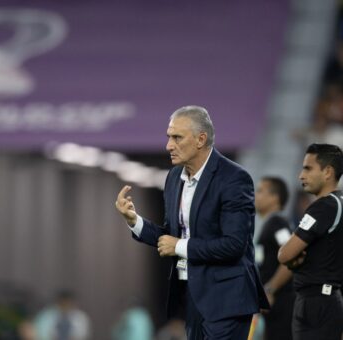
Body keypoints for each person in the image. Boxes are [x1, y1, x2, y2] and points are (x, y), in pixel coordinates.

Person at [115, 105, 269, 340]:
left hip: (228, 299)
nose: (168, 145)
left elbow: (234, 244)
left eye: (177, 137)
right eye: (169, 137)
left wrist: (178, 246)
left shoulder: (234, 179)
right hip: (192, 297)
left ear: (200, 139)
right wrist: (135, 222)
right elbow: (170, 235)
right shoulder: (175, 177)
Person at [278, 143, 343, 340]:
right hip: (331, 299)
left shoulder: (323, 207)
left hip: (315, 303)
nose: (301, 176)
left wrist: (293, 260)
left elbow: (284, 254)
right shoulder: (339, 201)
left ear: (328, 172)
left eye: (308, 168)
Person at [254, 177, 294, 340]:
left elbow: (291, 255)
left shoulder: (278, 223)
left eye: (260, 191)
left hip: (281, 303)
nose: (255, 195)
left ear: (274, 198)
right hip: (272, 305)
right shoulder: (269, 224)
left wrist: (270, 289)